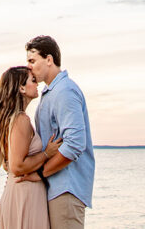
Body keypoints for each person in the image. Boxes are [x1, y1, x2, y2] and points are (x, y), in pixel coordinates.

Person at [26, 35, 95, 229]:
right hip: (54, 188)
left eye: (32, 61)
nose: (29, 67)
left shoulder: (65, 91)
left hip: (66, 189)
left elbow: (75, 144)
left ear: (49, 59)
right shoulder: (50, 93)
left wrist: (41, 173)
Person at [0, 66, 62, 229]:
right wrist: (46, 154)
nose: (37, 84)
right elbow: (17, 166)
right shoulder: (21, 120)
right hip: (25, 194)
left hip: (19, 192)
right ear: (21, 88)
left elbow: (10, 163)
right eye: (33, 80)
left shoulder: (10, 120)